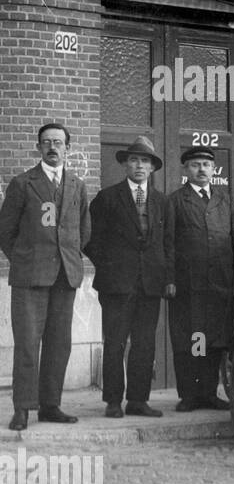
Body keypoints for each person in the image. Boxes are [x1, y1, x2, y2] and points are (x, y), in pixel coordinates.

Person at [0, 122, 92, 431]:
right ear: (39, 147)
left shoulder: (77, 186)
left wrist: (69, 259)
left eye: (59, 142)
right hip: (29, 278)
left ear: (68, 148)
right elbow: (5, 232)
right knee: (28, 343)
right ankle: (23, 408)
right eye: (47, 142)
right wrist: (26, 260)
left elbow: (83, 230)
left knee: (59, 343)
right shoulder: (23, 184)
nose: (53, 147)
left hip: (65, 277)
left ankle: (51, 405)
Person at [86, 135, 169, 419]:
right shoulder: (107, 198)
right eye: (134, 160)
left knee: (144, 344)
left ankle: (138, 400)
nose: (139, 166)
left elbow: (167, 243)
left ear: (152, 168)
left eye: (145, 161)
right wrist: (109, 267)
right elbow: (90, 239)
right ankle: (112, 401)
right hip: (116, 284)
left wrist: (165, 276)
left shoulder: (161, 202)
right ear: (125, 165)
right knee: (115, 343)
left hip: (150, 284)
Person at [166, 145, 234, 412]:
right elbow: (169, 243)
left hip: (219, 283)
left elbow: (233, 241)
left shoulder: (225, 199)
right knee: (189, 340)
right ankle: (189, 395)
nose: (201, 170)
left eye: (206, 165)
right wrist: (170, 278)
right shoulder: (175, 201)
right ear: (186, 170)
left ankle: (209, 393)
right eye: (195, 165)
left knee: (214, 340)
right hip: (188, 284)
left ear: (214, 170)